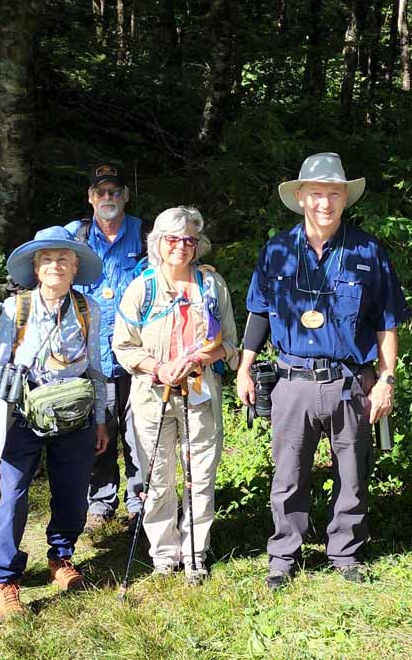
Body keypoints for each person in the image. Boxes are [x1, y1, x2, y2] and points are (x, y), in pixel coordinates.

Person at [236, 152, 411, 590]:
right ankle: (284, 555)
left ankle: (345, 552)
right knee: (288, 475)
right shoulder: (277, 250)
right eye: (316, 193)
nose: (324, 203)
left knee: (352, 474)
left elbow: (387, 322)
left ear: (345, 198)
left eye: (333, 194)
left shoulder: (367, 251)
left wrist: (386, 380)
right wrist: (244, 368)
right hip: (291, 381)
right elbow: (259, 312)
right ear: (300, 197)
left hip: (349, 382)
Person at [0, 226, 109, 622]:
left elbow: (96, 370)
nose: (55, 266)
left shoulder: (88, 309)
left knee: (72, 492)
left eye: (63, 259)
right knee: (13, 495)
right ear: (35, 268)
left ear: (75, 267)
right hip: (22, 413)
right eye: (47, 259)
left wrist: (100, 420)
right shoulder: (15, 309)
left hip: (74, 413)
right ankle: (5, 581)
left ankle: (61, 558)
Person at [112, 207, 238, 584]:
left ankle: (195, 552)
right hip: (153, 396)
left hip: (200, 394)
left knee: (200, 475)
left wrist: (204, 357)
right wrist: (158, 367)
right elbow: (123, 346)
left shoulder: (212, 286)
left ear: (198, 244)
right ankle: (164, 554)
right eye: (172, 239)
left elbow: (231, 343)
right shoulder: (142, 288)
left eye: (189, 240)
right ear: (157, 242)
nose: (181, 246)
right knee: (157, 476)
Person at [65, 163, 145, 535]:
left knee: (140, 432)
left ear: (126, 195)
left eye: (115, 191)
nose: (108, 197)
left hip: (139, 355)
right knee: (99, 430)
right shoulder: (74, 237)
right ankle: (100, 501)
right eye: (101, 192)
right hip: (91, 355)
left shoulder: (146, 234)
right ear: (90, 197)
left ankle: (140, 501)